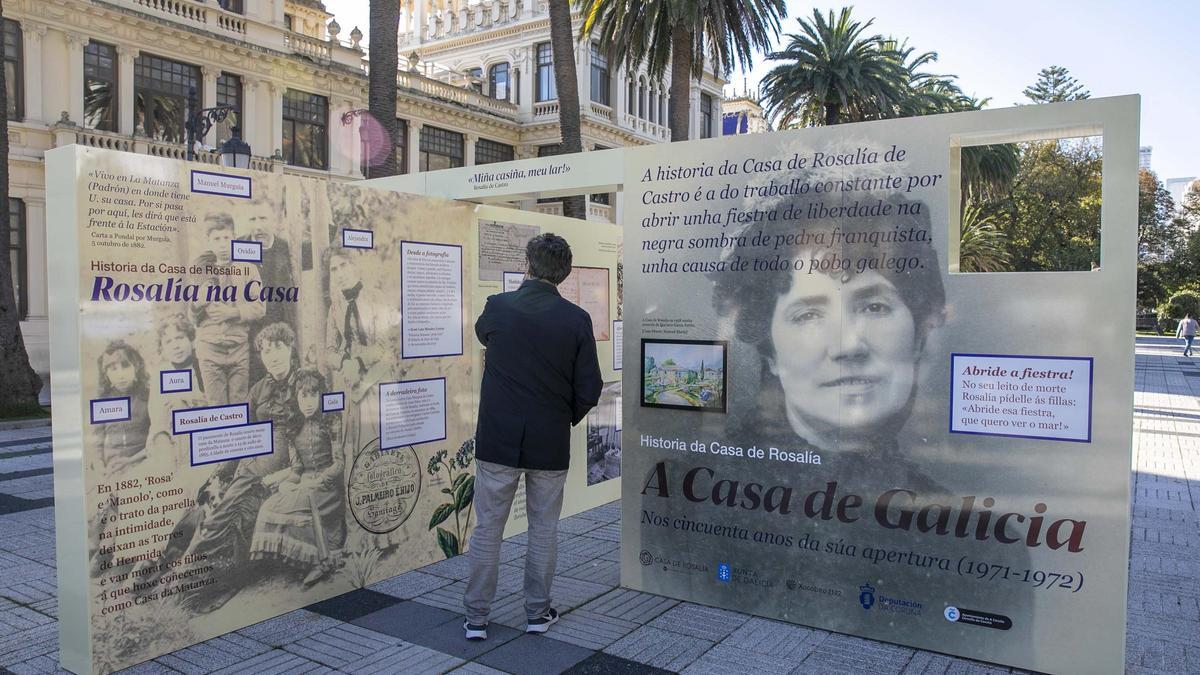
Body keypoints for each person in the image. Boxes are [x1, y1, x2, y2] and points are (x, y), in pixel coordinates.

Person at [463, 233, 602, 640]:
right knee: (544, 528)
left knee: (488, 528)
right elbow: (589, 388)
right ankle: (537, 614)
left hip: (498, 439)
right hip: (549, 442)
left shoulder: (499, 307)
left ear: (528, 263)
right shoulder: (576, 319)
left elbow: (483, 335)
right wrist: (563, 418)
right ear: (565, 272)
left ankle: (476, 618)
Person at [249, 369, 344, 586]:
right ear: (296, 397)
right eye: (303, 396)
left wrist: (316, 481)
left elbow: (339, 464)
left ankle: (321, 561)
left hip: (327, 488)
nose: (308, 402)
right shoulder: (293, 427)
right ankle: (299, 561)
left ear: (321, 396)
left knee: (303, 497)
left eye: (313, 395)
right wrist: (284, 485)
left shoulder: (331, 421)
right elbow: (297, 469)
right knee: (270, 505)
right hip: (305, 483)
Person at [191, 213, 265, 405]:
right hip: (209, 349)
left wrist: (233, 312)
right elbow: (190, 312)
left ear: (234, 238)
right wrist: (199, 301)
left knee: (239, 406)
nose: (222, 244)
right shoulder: (200, 271)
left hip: (238, 348)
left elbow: (259, 307)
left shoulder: (248, 269)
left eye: (227, 238)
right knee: (217, 407)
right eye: (217, 239)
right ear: (209, 241)